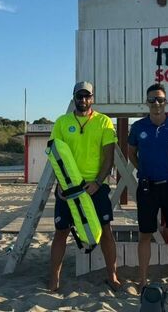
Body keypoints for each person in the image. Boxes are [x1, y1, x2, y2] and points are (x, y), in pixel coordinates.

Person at [48, 81, 121, 292]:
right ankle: (54, 279)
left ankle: (112, 276)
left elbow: (109, 157)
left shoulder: (104, 122)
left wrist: (98, 182)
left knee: (106, 231)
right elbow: (55, 155)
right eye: (79, 96)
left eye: (87, 96)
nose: (83, 100)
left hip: (94, 187)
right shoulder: (62, 122)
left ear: (93, 98)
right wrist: (62, 185)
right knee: (60, 232)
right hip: (68, 188)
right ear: (74, 98)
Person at [128, 84, 168, 294]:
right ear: (147, 102)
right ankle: (142, 280)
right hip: (147, 188)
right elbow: (132, 154)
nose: (156, 103)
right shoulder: (138, 127)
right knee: (145, 234)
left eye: (160, 99)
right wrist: (144, 171)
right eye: (152, 100)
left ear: (166, 102)